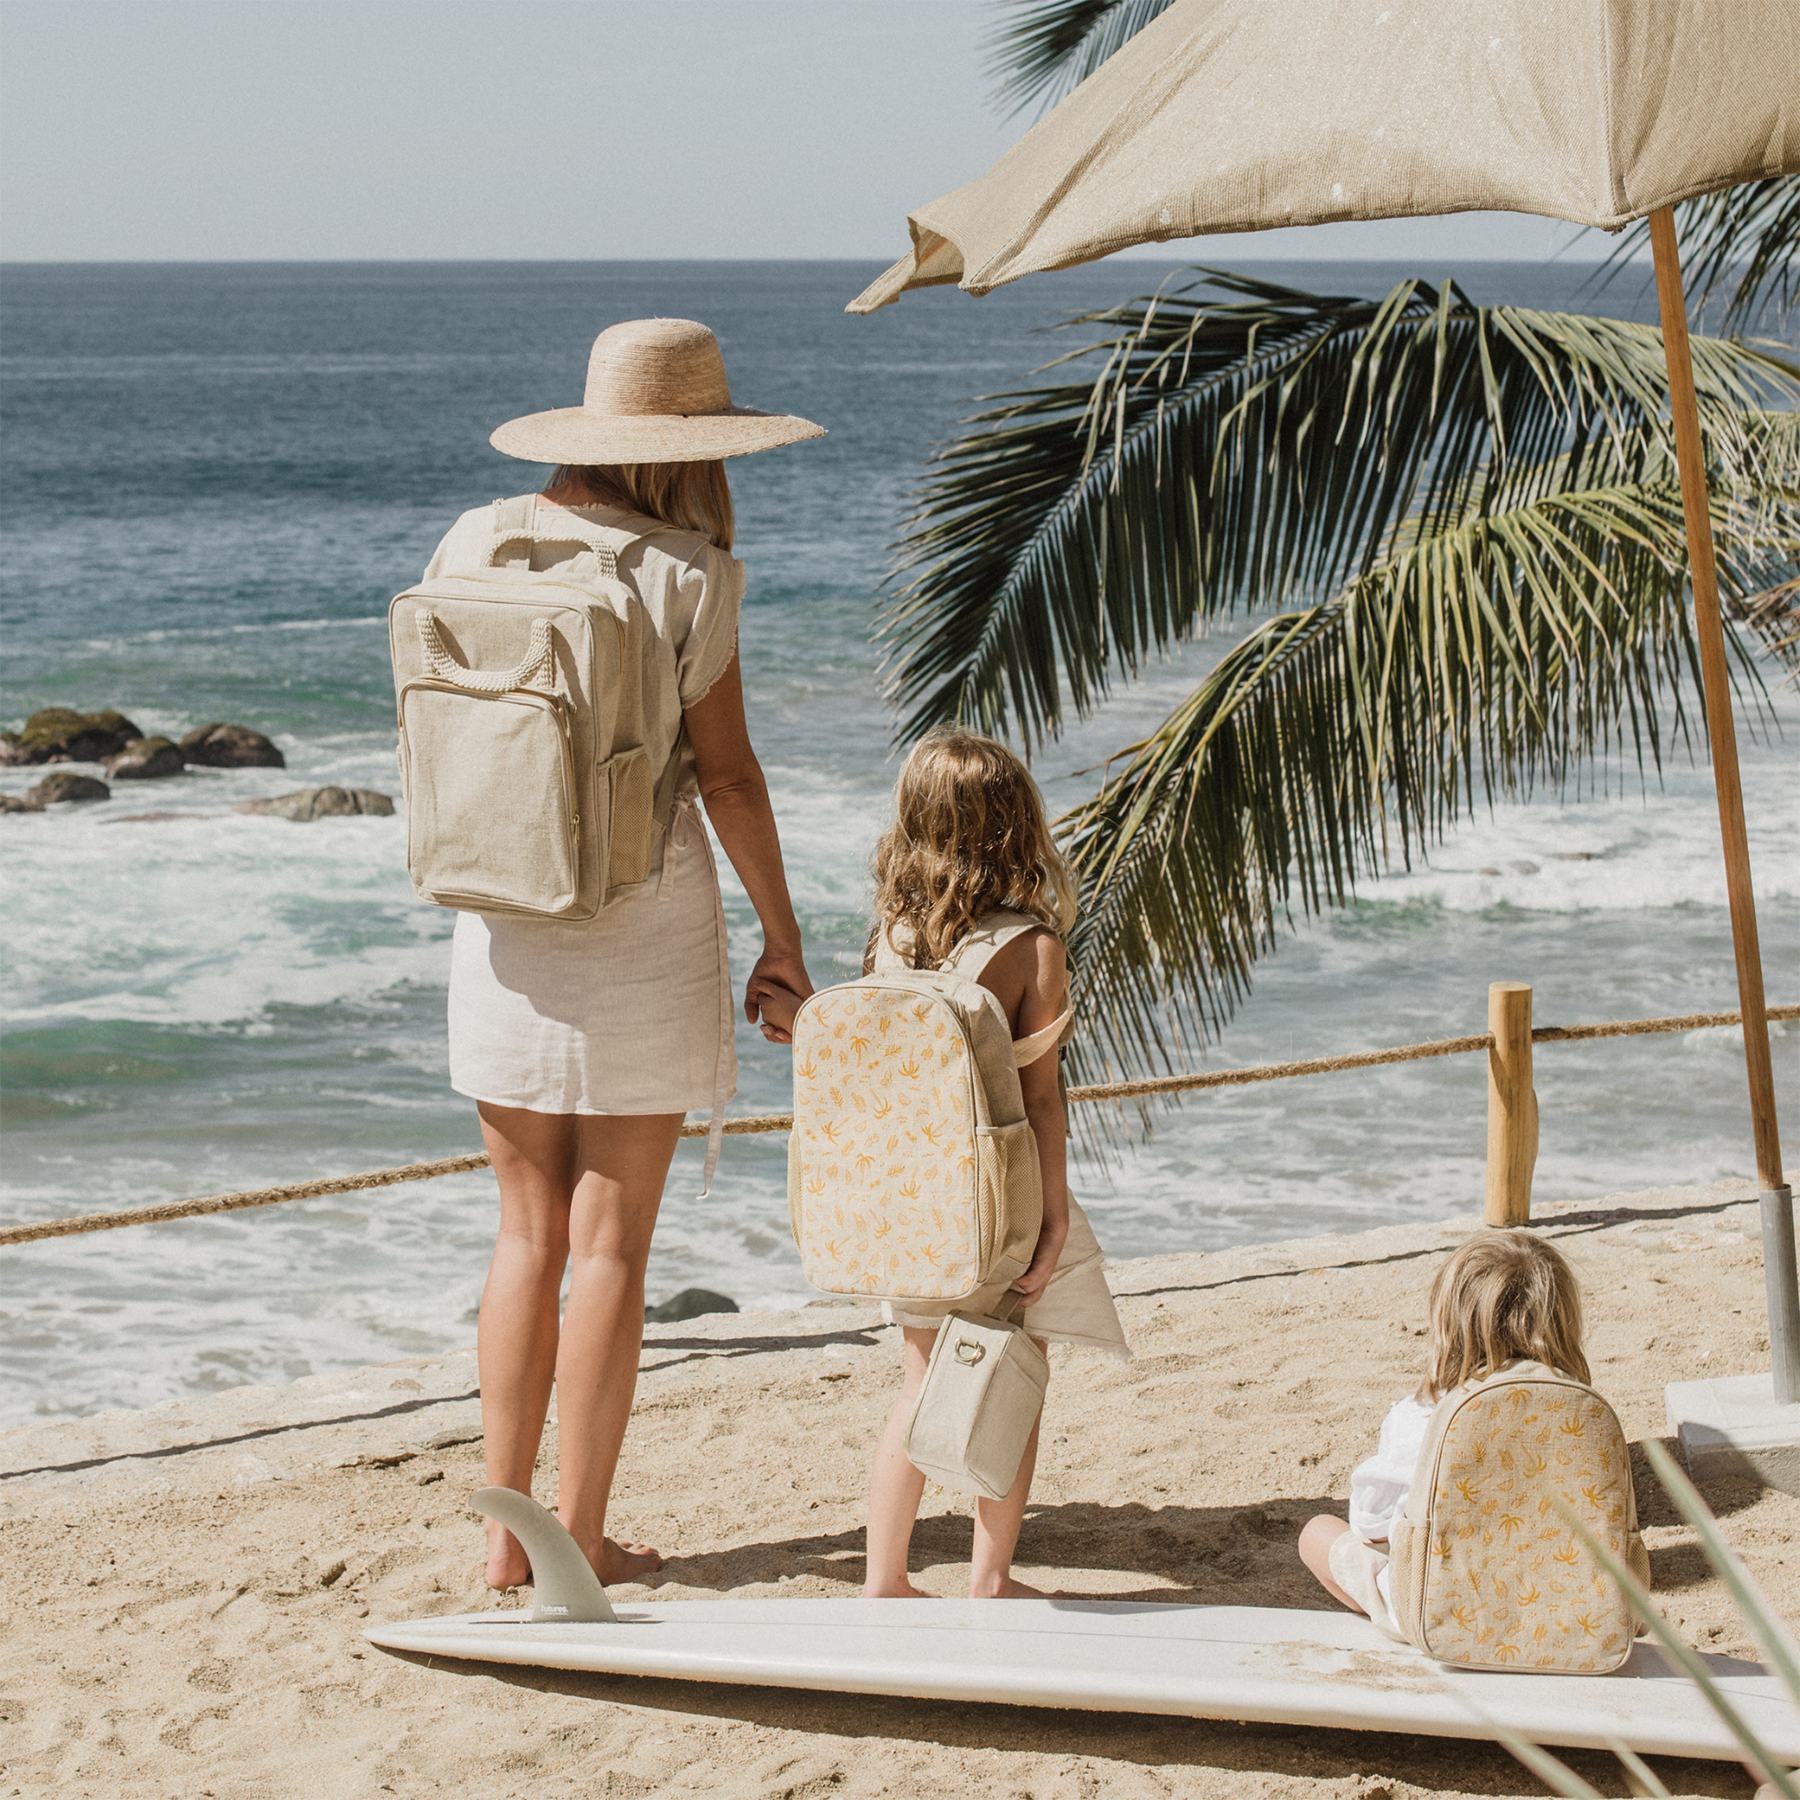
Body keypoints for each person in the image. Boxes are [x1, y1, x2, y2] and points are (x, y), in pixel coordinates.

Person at [422, 318, 822, 1591]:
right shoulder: (689, 573)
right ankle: (577, 1543)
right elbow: (731, 779)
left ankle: (502, 1539)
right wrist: (784, 934)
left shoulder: (475, 538)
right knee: (610, 1244)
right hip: (639, 918)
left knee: (522, 1235)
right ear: (697, 449)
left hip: (502, 916)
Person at [757, 732, 1130, 1598]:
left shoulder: (891, 939)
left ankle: (885, 1575)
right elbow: (1041, 1100)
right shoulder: (1032, 949)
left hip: (903, 1198)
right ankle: (990, 1574)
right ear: (1017, 826)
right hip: (994, 1200)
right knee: (1008, 1369)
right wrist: (1058, 1215)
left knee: (923, 1376)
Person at [1297, 1230, 1598, 1634]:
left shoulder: (1423, 1415)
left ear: (1449, 1326)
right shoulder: (1582, 1414)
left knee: (1317, 1534)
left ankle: (1390, 1620)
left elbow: (1368, 1523)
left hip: (1448, 1620)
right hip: (1565, 1614)